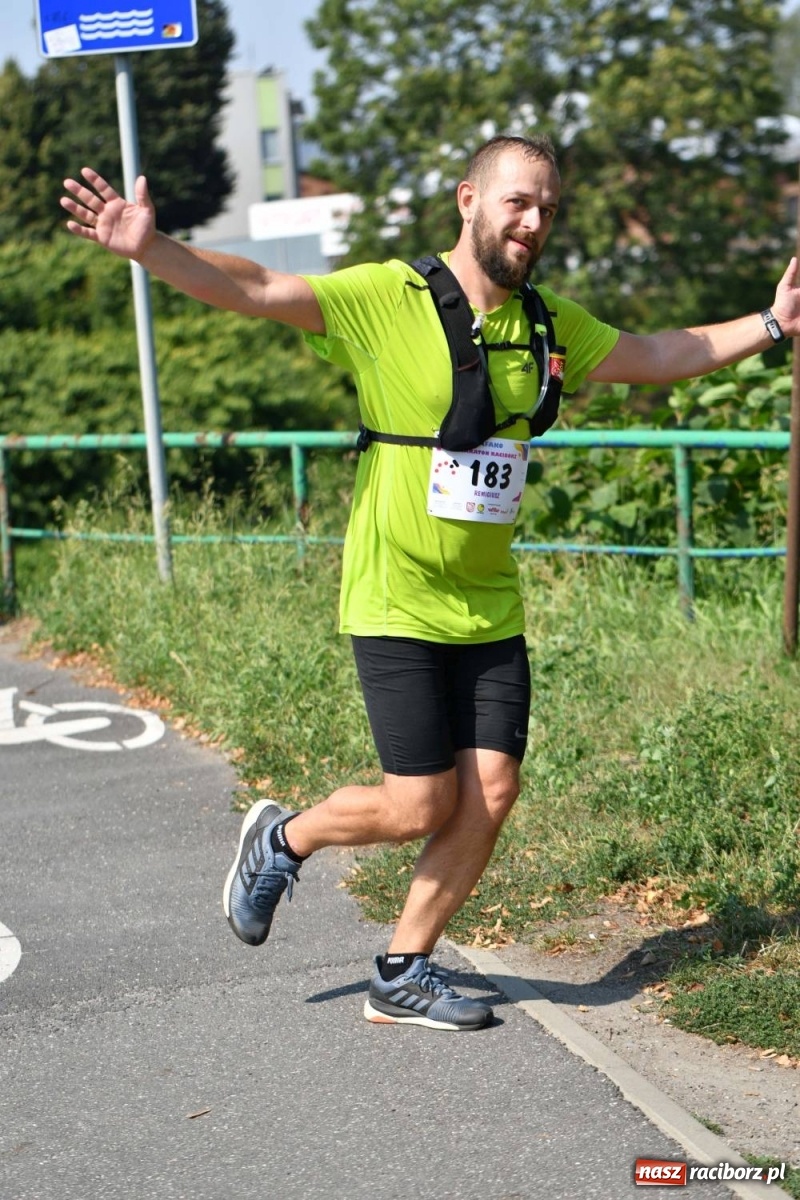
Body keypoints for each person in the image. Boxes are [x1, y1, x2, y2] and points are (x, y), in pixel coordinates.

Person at [61, 135, 800, 1032]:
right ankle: (285, 838)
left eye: (548, 209)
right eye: (518, 202)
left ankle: (403, 969)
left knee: (491, 791)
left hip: (488, 604)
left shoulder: (546, 322)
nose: (534, 222)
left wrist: (770, 325)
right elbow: (258, 288)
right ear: (469, 199)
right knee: (419, 802)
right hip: (396, 594)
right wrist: (152, 248)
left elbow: (653, 351)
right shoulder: (388, 297)